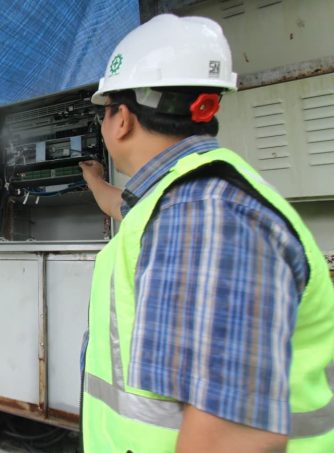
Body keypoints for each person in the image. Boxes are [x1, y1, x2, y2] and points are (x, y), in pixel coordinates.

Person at [79, 14, 334, 452]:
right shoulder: (180, 198)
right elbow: (123, 207)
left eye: (104, 111)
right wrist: (94, 181)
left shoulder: (204, 214)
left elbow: (234, 437)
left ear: (121, 120)